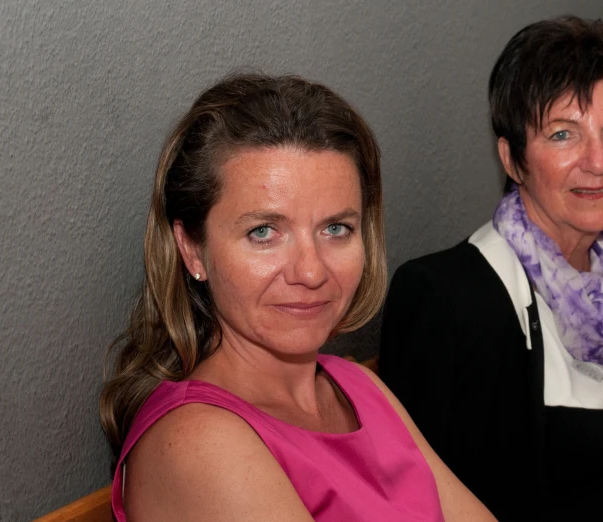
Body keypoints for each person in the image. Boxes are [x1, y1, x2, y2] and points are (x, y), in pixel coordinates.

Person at [379, 16, 603, 522]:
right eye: (563, 134)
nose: (597, 161)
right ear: (513, 159)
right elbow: (418, 503)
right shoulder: (448, 299)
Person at [99, 73, 496, 522]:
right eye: (263, 232)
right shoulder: (199, 441)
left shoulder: (358, 386)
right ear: (192, 249)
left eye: (335, 229)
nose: (310, 271)